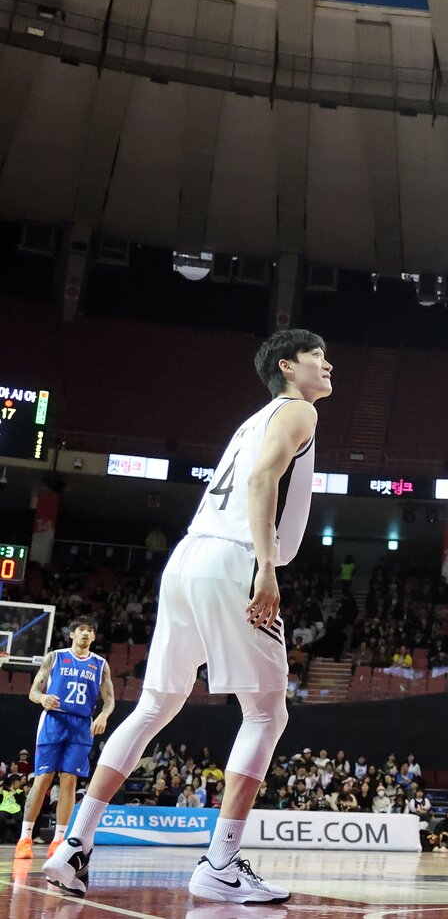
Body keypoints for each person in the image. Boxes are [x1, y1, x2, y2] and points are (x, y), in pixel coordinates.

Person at [44, 330, 333, 904]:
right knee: (266, 713)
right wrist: (266, 566)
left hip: (187, 559)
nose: (328, 365)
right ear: (287, 366)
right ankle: (220, 862)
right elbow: (261, 480)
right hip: (233, 559)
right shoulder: (299, 410)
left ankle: (74, 845)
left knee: (155, 705)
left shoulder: (251, 421)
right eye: (317, 356)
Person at [16, 616, 114, 860]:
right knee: (43, 779)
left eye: (90, 631)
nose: (85, 633)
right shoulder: (55, 657)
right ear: (72, 634)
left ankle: (58, 840)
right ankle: (25, 838)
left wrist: (103, 715)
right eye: (81, 629)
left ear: (94, 636)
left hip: (81, 725)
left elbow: (109, 700)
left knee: (69, 782)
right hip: (54, 721)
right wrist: (42, 698)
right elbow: (33, 691)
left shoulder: (100, 664)